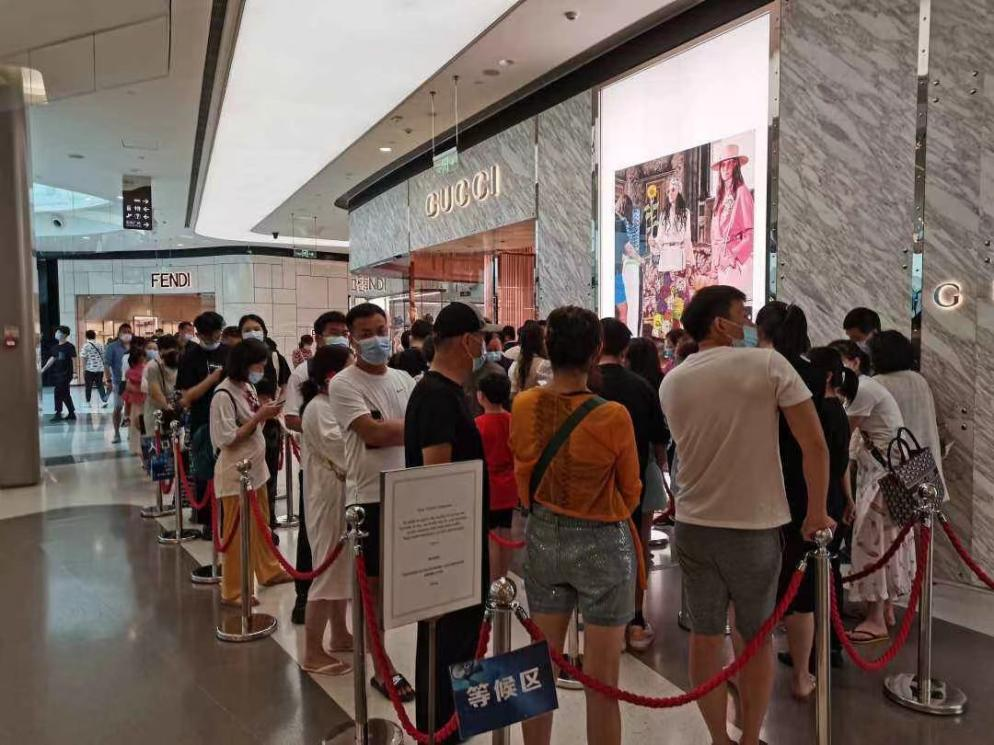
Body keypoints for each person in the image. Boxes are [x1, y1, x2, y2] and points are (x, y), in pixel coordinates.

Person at [659, 286, 832, 745]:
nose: (749, 324)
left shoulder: (672, 380)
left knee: (705, 635)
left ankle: (718, 737)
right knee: (754, 637)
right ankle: (750, 737)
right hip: (754, 526)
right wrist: (816, 511)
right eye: (743, 314)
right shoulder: (769, 365)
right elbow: (814, 444)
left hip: (693, 525)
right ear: (721, 324)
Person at [510, 306, 640, 745]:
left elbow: (523, 472)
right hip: (604, 541)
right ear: (596, 351)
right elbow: (632, 490)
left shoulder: (524, 405)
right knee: (603, 683)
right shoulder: (613, 415)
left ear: (548, 348)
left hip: (545, 535)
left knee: (538, 669)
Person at [404, 302, 495, 736]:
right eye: (482, 337)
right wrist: (445, 558)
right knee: (450, 641)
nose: (485, 345)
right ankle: (443, 728)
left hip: (459, 542)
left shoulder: (443, 391)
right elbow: (436, 480)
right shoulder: (438, 396)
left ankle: (451, 723)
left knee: (459, 642)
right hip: (449, 546)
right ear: (467, 341)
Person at [328, 303, 416, 700]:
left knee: (404, 584)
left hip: (408, 493)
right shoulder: (344, 384)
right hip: (369, 499)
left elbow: (391, 430)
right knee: (372, 588)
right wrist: (410, 428)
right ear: (352, 339)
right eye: (366, 334)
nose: (376, 339)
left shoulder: (404, 378)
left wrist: (393, 428)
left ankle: (386, 655)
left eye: (381, 330)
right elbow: (372, 434)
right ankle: (382, 667)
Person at [754, 301, 829, 699]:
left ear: (761, 331)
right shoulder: (815, 373)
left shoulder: (757, 369)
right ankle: (802, 675)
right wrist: (820, 505)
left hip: (759, 484)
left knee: (754, 588)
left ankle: (749, 673)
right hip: (804, 486)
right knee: (801, 590)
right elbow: (819, 443)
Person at [829, 339, 914, 643]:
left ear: (855, 361)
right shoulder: (865, 388)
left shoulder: (863, 390)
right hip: (890, 475)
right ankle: (884, 610)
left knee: (871, 544)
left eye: (838, 364)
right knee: (886, 542)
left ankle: (876, 619)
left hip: (882, 479)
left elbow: (840, 436)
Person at [592, 318, 668, 653]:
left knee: (594, 550)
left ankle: (598, 620)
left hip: (590, 485)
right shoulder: (641, 386)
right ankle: (635, 620)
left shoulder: (584, 384)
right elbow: (659, 438)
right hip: (631, 481)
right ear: (625, 349)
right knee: (635, 548)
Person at [210, 339, 292, 606]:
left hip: (257, 469)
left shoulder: (248, 387)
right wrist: (259, 417)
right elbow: (226, 438)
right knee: (237, 534)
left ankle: (268, 570)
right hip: (236, 473)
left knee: (262, 524)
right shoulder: (223, 395)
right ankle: (234, 589)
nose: (261, 370)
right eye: (258, 365)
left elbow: (254, 422)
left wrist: (267, 413)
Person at [284, 310, 349, 626]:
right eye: (335, 331)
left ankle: (338, 626)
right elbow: (291, 417)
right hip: (320, 473)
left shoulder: (345, 382)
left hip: (343, 481)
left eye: (344, 332)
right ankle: (304, 601)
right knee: (315, 546)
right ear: (318, 335)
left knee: (337, 555)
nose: (341, 337)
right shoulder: (304, 377)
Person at [298, 343, 354, 675]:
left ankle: (340, 632)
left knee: (340, 568)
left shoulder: (333, 404)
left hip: (341, 494)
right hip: (328, 496)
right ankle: (313, 651)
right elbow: (343, 449)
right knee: (326, 571)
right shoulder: (319, 409)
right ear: (333, 376)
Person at [869, 330, 946, 492]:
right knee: (925, 502)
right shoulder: (918, 379)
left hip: (895, 461)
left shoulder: (877, 383)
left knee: (897, 504)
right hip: (923, 458)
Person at [177, 311, 228, 536]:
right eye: (207, 334)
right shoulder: (190, 357)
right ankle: (207, 519)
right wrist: (212, 379)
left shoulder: (229, 353)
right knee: (205, 471)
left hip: (227, 420)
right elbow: (186, 397)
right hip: (202, 421)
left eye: (216, 333)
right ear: (199, 334)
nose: (212, 338)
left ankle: (229, 516)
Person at [475, 371, 517, 581]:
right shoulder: (513, 421)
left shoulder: (477, 424)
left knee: (491, 535)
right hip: (510, 484)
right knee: (506, 530)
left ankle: (494, 581)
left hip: (488, 486)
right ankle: (504, 576)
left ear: (481, 396)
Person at [710, 145, 755, 295]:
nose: (726, 168)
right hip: (720, 264)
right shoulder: (719, 197)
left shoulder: (742, 192)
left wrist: (732, 256)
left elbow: (751, 236)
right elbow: (715, 236)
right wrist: (714, 263)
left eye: (730, 164)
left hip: (735, 264)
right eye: (723, 165)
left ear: (736, 165)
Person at [254, 377, 283, 544]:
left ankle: (269, 520)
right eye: (263, 398)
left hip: (271, 429)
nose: (267, 402)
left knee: (270, 479)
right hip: (259, 435)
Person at [238, 314, 291, 398]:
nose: (252, 333)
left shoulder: (275, 357)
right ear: (240, 334)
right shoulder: (235, 359)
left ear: (264, 332)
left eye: (256, 329)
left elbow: (286, 388)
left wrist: (278, 403)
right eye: (247, 330)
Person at [143, 334, 179, 434]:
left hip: (172, 415)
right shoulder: (152, 366)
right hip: (155, 414)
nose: (173, 356)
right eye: (169, 354)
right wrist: (168, 406)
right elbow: (155, 392)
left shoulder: (177, 362)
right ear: (161, 351)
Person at [41, 326, 77, 422]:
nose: (56, 334)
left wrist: (74, 372)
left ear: (64, 334)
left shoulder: (70, 346)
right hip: (57, 373)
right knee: (65, 393)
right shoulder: (55, 347)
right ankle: (71, 413)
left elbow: (74, 359)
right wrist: (43, 369)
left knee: (58, 392)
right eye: (56, 332)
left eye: (58, 332)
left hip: (66, 373)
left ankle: (58, 413)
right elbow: (52, 359)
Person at [123, 341, 152, 456]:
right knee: (146, 426)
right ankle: (147, 448)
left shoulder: (130, 372)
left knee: (135, 428)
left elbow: (127, 390)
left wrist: (126, 413)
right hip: (147, 402)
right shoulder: (148, 369)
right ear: (143, 357)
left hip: (135, 403)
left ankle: (137, 449)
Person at [105, 323, 133, 441]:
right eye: (124, 331)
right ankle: (116, 433)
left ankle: (131, 432)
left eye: (129, 331)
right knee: (118, 407)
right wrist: (108, 380)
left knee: (132, 407)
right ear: (119, 333)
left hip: (134, 382)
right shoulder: (112, 347)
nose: (127, 334)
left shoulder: (134, 346)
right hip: (118, 382)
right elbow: (106, 364)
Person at [508, 322, 551, 395]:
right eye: (544, 338)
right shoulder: (545, 365)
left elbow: (512, 394)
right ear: (540, 342)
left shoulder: (514, 366)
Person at [81, 330, 108, 407]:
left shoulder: (86, 346)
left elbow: (84, 358)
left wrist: (84, 369)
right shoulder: (100, 345)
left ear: (86, 336)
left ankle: (88, 402)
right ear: (95, 336)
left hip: (90, 369)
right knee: (100, 385)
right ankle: (104, 401)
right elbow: (103, 356)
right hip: (100, 369)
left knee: (88, 386)